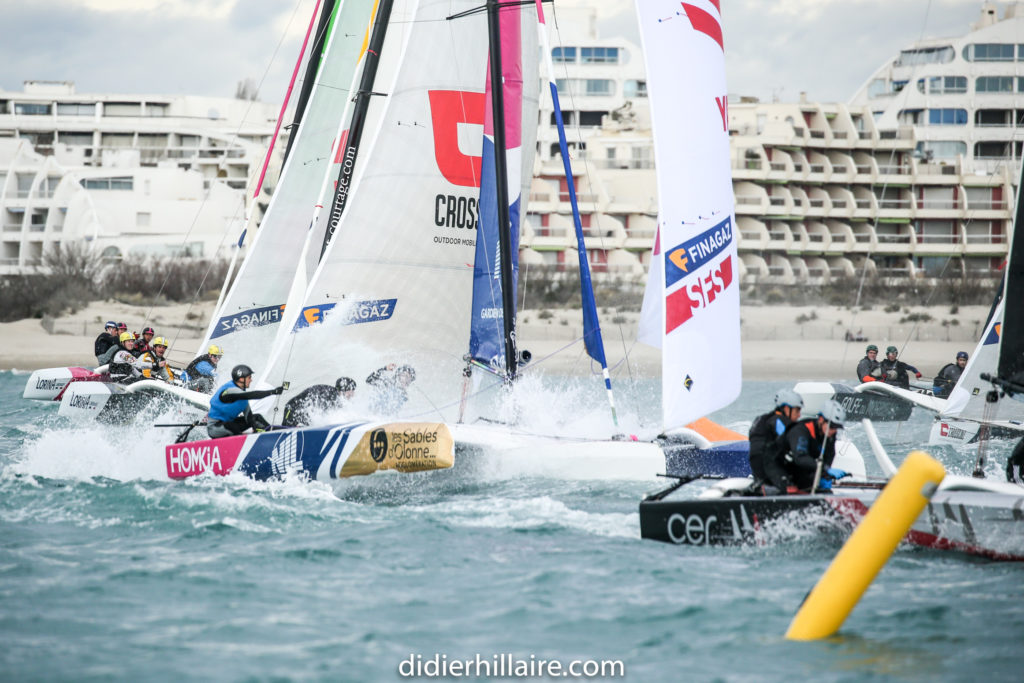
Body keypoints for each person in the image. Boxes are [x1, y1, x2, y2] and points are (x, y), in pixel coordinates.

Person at [772, 399, 848, 493]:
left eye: (837, 427)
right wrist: (825, 468)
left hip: (798, 470)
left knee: (823, 489)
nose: (834, 431)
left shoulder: (829, 435)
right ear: (821, 420)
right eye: (832, 426)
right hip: (778, 467)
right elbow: (800, 458)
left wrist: (825, 474)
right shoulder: (801, 431)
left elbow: (829, 456)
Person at [748, 388, 803, 494]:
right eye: (797, 410)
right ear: (787, 408)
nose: (799, 415)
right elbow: (792, 443)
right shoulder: (780, 421)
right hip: (769, 466)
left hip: (756, 466)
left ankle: (762, 487)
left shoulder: (761, 419)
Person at [206, 365, 285, 438]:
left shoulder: (242, 396)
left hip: (230, 425)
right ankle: (243, 442)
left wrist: (256, 427)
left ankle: (275, 434)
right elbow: (252, 395)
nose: (251, 380)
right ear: (241, 379)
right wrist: (273, 392)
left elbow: (249, 418)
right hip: (215, 429)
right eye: (249, 377)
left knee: (257, 418)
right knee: (230, 425)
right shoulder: (230, 390)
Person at [282, 377, 356, 427]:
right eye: (351, 390)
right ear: (344, 389)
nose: (353, 394)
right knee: (284, 432)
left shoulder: (337, 398)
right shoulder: (329, 395)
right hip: (292, 409)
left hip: (303, 413)